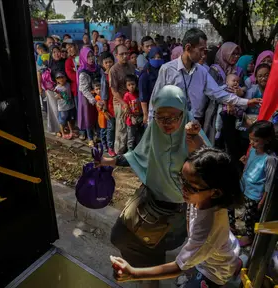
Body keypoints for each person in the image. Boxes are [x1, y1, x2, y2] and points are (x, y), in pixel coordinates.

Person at [99, 85, 209, 288]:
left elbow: (212, 168)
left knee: (151, 248)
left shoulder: (192, 136)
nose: (166, 123)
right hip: (150, 201)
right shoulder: (154, 131)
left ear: (183, 113)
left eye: (173, 117)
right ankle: (143, 277)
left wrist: (197, 143)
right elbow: (137, 155)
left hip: (177, 212)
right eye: (160, 116)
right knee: (121, 237)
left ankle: (145, 280)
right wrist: (107, 161)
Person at [110, 146, 243, 288]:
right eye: (182, 179)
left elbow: (178, 267)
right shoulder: (204, 195)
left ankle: (232, 267)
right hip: (217, 250)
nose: (182, 188)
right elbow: (209, 154)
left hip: (214, 271)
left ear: (215, 193)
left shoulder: (207, 230)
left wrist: (133, 273)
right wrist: (193, 135)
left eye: (191, 187)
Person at [149, 28, 261, 134]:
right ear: (188, 48)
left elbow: (218, 94)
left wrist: (246, 102)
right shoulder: (168, 69)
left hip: (194, 124)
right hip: (170, 124)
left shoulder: (202, 71)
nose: (204, 54)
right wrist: (151, 127)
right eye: (201, 49)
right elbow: (155, 100)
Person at [237, 121, 277, 247]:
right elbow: (252, 167)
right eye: (250, 140)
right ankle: (242, 230)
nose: (252, 143)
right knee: (242, 211)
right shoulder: (254, 151)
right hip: (245, 187)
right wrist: (245, 162)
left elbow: (270, 182)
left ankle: (250, 237)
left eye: (255, 140)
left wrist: (262, 200)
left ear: (267, 140)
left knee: (251, 217)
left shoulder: (270, 158)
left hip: (255, 194)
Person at [204, 42, 244, 161]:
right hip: (215, 111)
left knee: (230, 144)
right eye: (233, 54)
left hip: (233, 112)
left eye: (238, 54)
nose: (236, 57)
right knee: (215, 141)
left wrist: (241, 91)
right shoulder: (215, 70)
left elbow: (242, 88)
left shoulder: (238, 70)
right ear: (225, 53)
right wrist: (228, 101)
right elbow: (211, 91)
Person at [109, 44, 136, 154]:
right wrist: (124, 104)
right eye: (122, 54)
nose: (125, 56)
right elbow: (114, 91)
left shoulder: (131, 66)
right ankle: (119, 152)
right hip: (120, 103)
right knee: (121, 128)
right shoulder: (113, 70)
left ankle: (129, 151)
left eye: (126, 53)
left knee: (131, 128)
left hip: (132, 101)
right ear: (116, 56)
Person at [78, 47, 100, 147]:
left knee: (97, 115)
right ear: (83, 57)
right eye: (88, 56)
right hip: (87, 99)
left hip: (96, 95)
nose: (91, 58)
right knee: (88, 117)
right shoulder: (83, 72)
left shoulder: (96, 67)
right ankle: (90, 138)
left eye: (92, 56)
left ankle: (97, 135)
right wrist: (92, 99)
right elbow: (84, 89)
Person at [44, 46, 66, 136]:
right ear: (51, 54)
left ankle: (63, 128)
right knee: (55, 110)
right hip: (52, 90)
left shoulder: (63, 62)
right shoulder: (49, 65)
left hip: (63, 89)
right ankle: (57, 129)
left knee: (63, 110)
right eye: (54, 52)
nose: (57, 54)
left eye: (58, 51)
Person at [138, 47, 164, 126]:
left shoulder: (164, 72)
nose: (156, 59)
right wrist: (145, 114)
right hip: (150, 110)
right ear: (149, 58)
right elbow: (143, 96)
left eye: (159, 57)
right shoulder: (145, 74)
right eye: (153, 57)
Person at [215, 74, 243, 140]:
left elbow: (242, 94)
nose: (236, 83)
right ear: (227, 82)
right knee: (219, 116)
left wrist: (239, 92)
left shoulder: (238, 89)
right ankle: (218, 130)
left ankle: (238, 126)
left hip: (235, 107)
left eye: (238, 81)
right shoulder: (224, 88)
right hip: (224, 106)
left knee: (240, 113)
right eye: (234, 81)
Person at [100, 52, 116, 156]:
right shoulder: (104, 78)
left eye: (110, 62)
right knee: (110, 127)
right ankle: (110, 147)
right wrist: (105, 109)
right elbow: (104, 95)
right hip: (109, 106)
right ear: (102, 64)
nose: (109, 64)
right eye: (106, 63)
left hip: (117, 105)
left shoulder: (116, 73)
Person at [54, 72, 76, 140]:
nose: (61, 80)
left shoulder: (68, 84)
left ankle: (71, 131)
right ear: (57, 80)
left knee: (70, 120)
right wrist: (58, 96)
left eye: (62, 77)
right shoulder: (57, 88)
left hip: (70, 106)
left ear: (66, 78)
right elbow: (55, 97)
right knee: (62, 121)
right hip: (62, 108)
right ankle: (63, 133)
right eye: (59, 78)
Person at [123, 75, 142, 151]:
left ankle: (138, 152)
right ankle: (130, 153)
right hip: (131, 119)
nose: (131, 86)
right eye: (129, 85)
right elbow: (126, 108)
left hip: (139, 118)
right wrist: (131, 117)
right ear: (126, 86)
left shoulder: (138, 93)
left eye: (133, 84)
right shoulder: (127, 96)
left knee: (139, 136)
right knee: (131, 137)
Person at [93, 80, 109, 151]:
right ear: (94, 91)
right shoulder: (97, 98)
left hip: (106, 117)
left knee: (107, 131)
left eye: (100, 88)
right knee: (103, 131)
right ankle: (104, 144)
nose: (99, 90)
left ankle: (107, 144)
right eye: (97, 89)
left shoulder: (104, 96)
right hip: (102, 117)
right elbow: (100, 107)